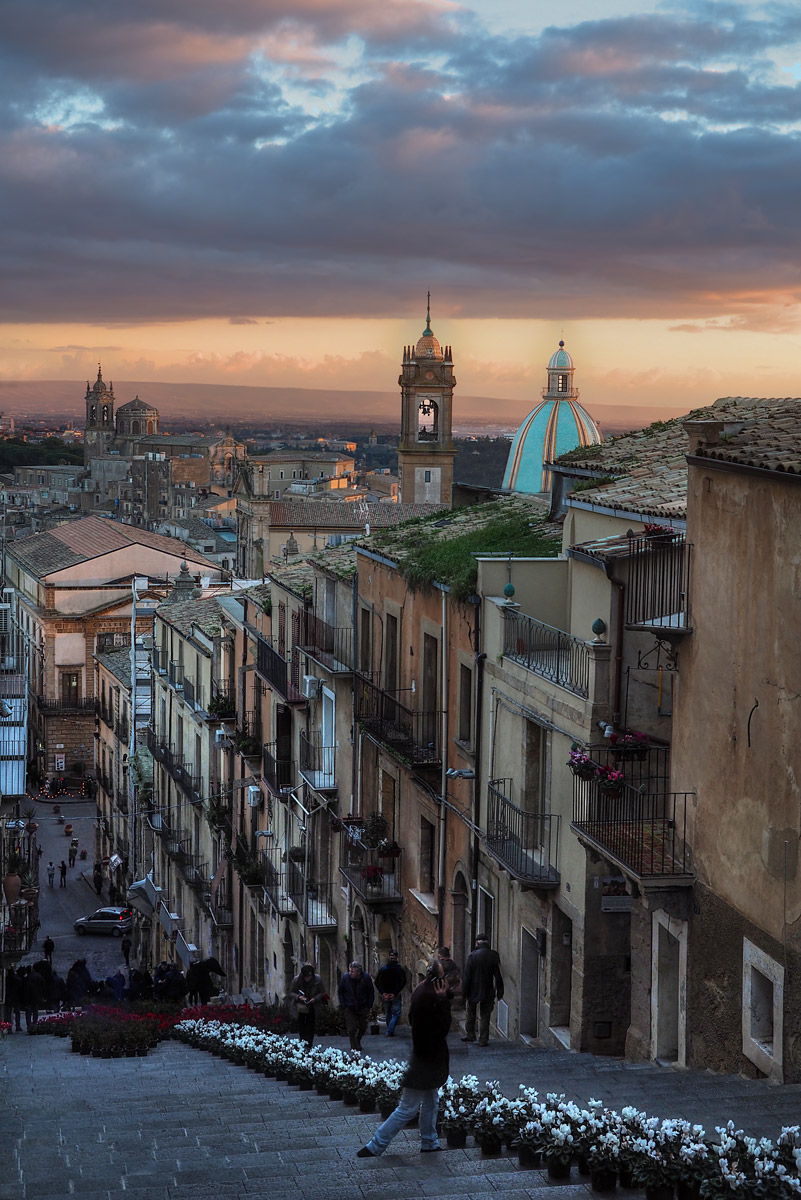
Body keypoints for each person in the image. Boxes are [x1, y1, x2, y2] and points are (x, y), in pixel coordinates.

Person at [358, 958, 451, 1158]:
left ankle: (429, 1142)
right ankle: (375, 1145)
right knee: (408, 1108)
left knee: (431, 1101)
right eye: (447, 979)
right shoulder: (429, 997)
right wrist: (443, 1002)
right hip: (425, 1060)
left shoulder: (423, 990)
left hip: (426, 1058)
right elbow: (442, 1028)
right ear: (439, 981)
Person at [461, 935, 504, 1047]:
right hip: (488, 989)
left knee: (471, 1012)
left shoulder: (472, 956)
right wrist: (500, 990)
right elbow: (498, 975)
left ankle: (470, 1034)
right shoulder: (494, 955)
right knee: (485, 1015)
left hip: (473, 989)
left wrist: (464, 992)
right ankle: (483, 1039)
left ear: (477, 943)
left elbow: (467, 976)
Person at [337, 960, 375, 1051]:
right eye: (350, 971)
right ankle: (353, 1046)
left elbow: (371, 992)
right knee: (351, 1028)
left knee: (363, 1027)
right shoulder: (345, 978)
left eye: (352, 971)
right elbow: (340, 991)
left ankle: (357, 1040)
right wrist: (343, 1004)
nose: (350, 973)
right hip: (349, 1007)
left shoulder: (365, 978)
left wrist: (369, 1005)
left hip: (363, 1006)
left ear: (358, 972)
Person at [288, 963, 325, 1047]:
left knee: (310, 1025)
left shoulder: (318, 980)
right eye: (306, 977)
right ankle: (302, 1041)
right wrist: (299, 997)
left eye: (310, 976)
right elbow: (290, 993)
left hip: (312, 1005)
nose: (308, 978)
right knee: (301, 1025)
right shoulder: (296, 980)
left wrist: (315, 999)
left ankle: (309, 1043)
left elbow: (322, 992)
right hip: (300, 1006)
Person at [374, 949, 407, 1036]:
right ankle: (390, 1030)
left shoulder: (383, 969)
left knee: (388, 1011)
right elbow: (402, 981)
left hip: (386, 994)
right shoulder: (399, 969)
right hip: (394, 994)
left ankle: (389, 1029)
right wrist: (395, 993)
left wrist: (383, 992)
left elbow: (377, 981)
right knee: (396, 1013)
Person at [22, 965, 46, 1031]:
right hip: (37, 996)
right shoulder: (39, 976)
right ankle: (35, 1024)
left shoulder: (27, 978)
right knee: (35, 1011)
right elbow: (43, 986)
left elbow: (24, 989)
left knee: (28, 1012)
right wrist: (43, 995)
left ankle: (29, 1025)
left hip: (28, 997)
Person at [4, 967, 22, 1031]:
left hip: (8, 997)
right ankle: (18, 1026)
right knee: (17, 1012)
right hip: (16, 997)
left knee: (8, 1013)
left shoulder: (6, 979)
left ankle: (9, 1028)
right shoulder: (18, 979)